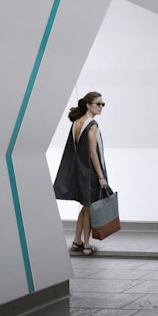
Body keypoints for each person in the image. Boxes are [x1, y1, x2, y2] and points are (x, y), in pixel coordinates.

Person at [59, 92, 108, 256]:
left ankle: (76, 241)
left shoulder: (76, 123)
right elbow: (93, 153)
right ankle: (86, 245)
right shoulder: (92, 125)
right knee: (89, 208)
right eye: (98, 104)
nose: (101, 107)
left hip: (80, 171)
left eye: (102, 104)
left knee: (85, 206)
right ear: (88, 105)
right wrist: (101, 176)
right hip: (90, 172)